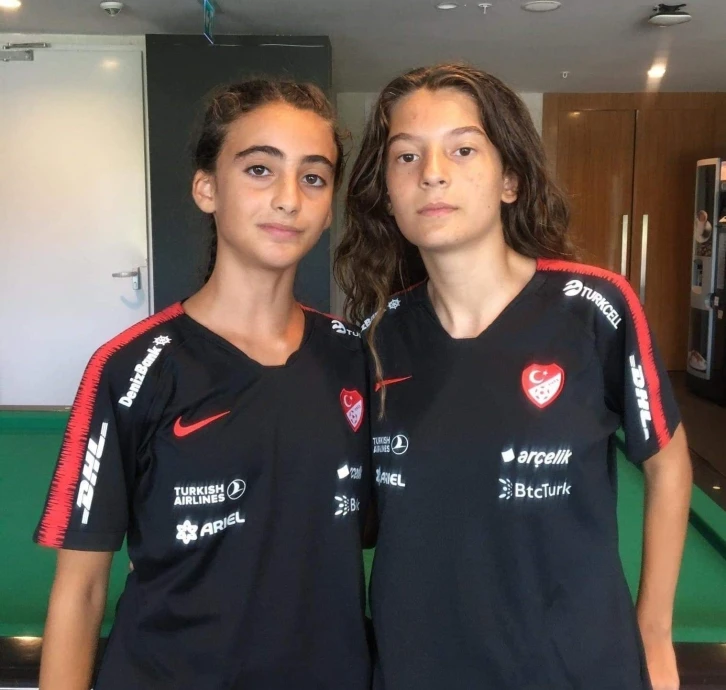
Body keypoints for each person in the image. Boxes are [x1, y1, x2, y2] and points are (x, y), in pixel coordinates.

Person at [335, 63, 692, 690]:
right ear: (386, 192)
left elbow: (668, 463)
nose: (432, 173)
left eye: (463, 149)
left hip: (574, 667)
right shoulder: (373, 337)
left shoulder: (595, 308)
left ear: (510, 180)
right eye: (406, 156)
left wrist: (655, 632)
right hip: (417, 667)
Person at [34, 79, 371, 690]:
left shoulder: (356, 357)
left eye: (313, 178)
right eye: (260, 169)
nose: (288, 199)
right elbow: (80, 589)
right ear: (206, 188)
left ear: (328, 208)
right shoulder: (131, 367)